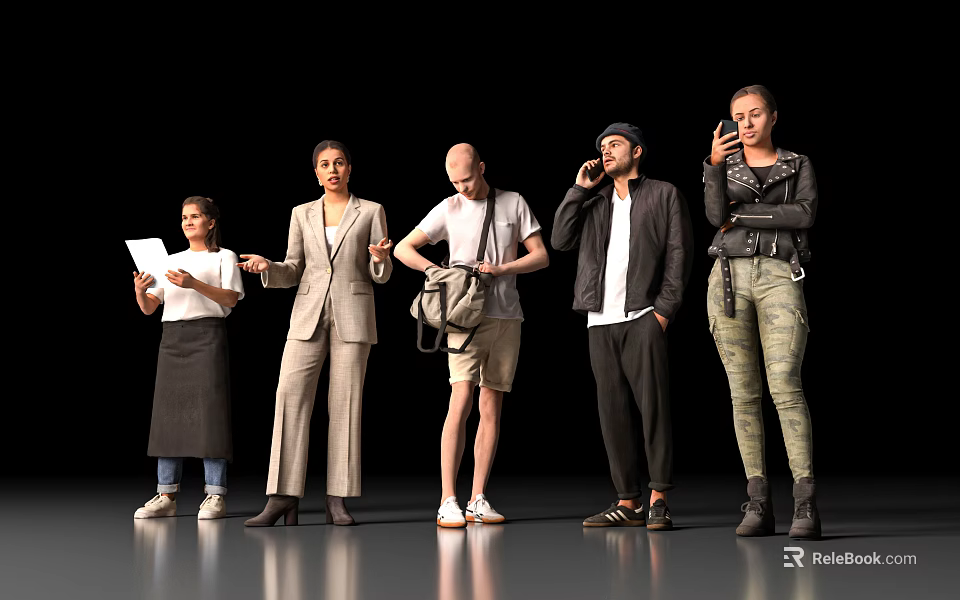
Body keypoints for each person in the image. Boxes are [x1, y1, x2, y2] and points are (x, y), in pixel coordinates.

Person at [394, 143, 549, 527]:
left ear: (481, 167)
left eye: (466, 179)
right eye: (454, 182)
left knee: (491, 406)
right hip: (464, 318)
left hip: (507, 316)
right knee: (460, 398)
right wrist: (436, 272)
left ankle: (477, 497)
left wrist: (501, 269)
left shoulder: (513, 202)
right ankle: (447, 498)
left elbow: (541, 256)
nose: (461, 187)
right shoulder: (449, 207)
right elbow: (403, 249)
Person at [239, 140, 392, 527]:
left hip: (353, 313)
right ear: (316, 173)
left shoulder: (371, 210)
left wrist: (381, 259)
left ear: (349, 169)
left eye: (339, 163)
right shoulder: (301, 213)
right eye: (325, 164)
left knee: (345, 405)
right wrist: (269, 266)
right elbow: (294, 267)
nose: (332, 169)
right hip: (307, 312)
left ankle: (337, 498)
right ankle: (282, 496)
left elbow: (381, 273)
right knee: (289, 396)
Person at [552, 123, 693, 530]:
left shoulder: (663, 194)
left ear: (637, 151)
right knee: (612, 413)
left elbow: (679, 254)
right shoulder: (594, 201)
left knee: (653, 410)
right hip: (600, 320)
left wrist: (662, 312)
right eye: (602, 147)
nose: (606, 151)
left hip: (642, 317)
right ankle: (628, 501)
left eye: (615, 144)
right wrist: (578, 190)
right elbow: (560, 240)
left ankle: (659, 497)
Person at [704, 85, 820, 539]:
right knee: (743, 393)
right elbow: (714, 215)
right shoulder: (723, 164)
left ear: (773, 117)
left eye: (754, 114)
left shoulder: (797, 163)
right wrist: (714, 166)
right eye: (738, 117)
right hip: (727, 278)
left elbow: (805, 215)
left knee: (785, 383)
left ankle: (805, 503)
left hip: (779, 274)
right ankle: (758, 503)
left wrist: (741, 214)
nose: (746, 123)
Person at [132, 196, 244, 520]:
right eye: (184, 217)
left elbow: (231, 299)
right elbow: (151, 307)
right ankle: (166, 494)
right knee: (167, 415)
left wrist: (193, 283)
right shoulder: (169, 260)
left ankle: (215, 494)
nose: (188, 222)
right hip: (172, 337)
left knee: (211, 414)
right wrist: (140, 291)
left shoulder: (224, 256)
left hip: (207, 335)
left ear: (211, 222)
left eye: (195, 216)